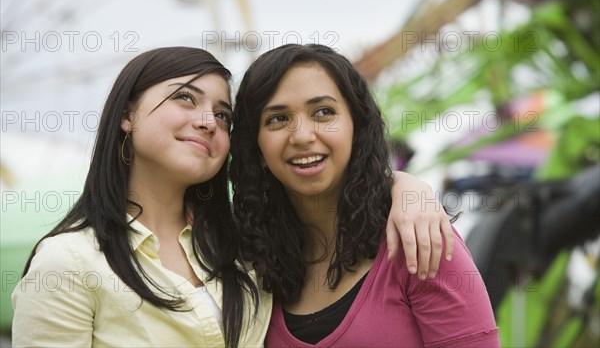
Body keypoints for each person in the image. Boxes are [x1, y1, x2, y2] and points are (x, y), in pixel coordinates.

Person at [12, 47, 453, 347]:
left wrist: (407, 187)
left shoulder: (246, 248)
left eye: (223, 115)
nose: (208, 121)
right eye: (185, 98)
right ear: (127, 114)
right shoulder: (68, 265)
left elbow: (325, 199)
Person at [230, 44, 500, 347]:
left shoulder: (418, 239)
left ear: (357, 128)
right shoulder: (250, 260)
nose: (303, 136)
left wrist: (404, 184)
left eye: (323, 112)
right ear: (257, 147)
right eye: (277, 119)